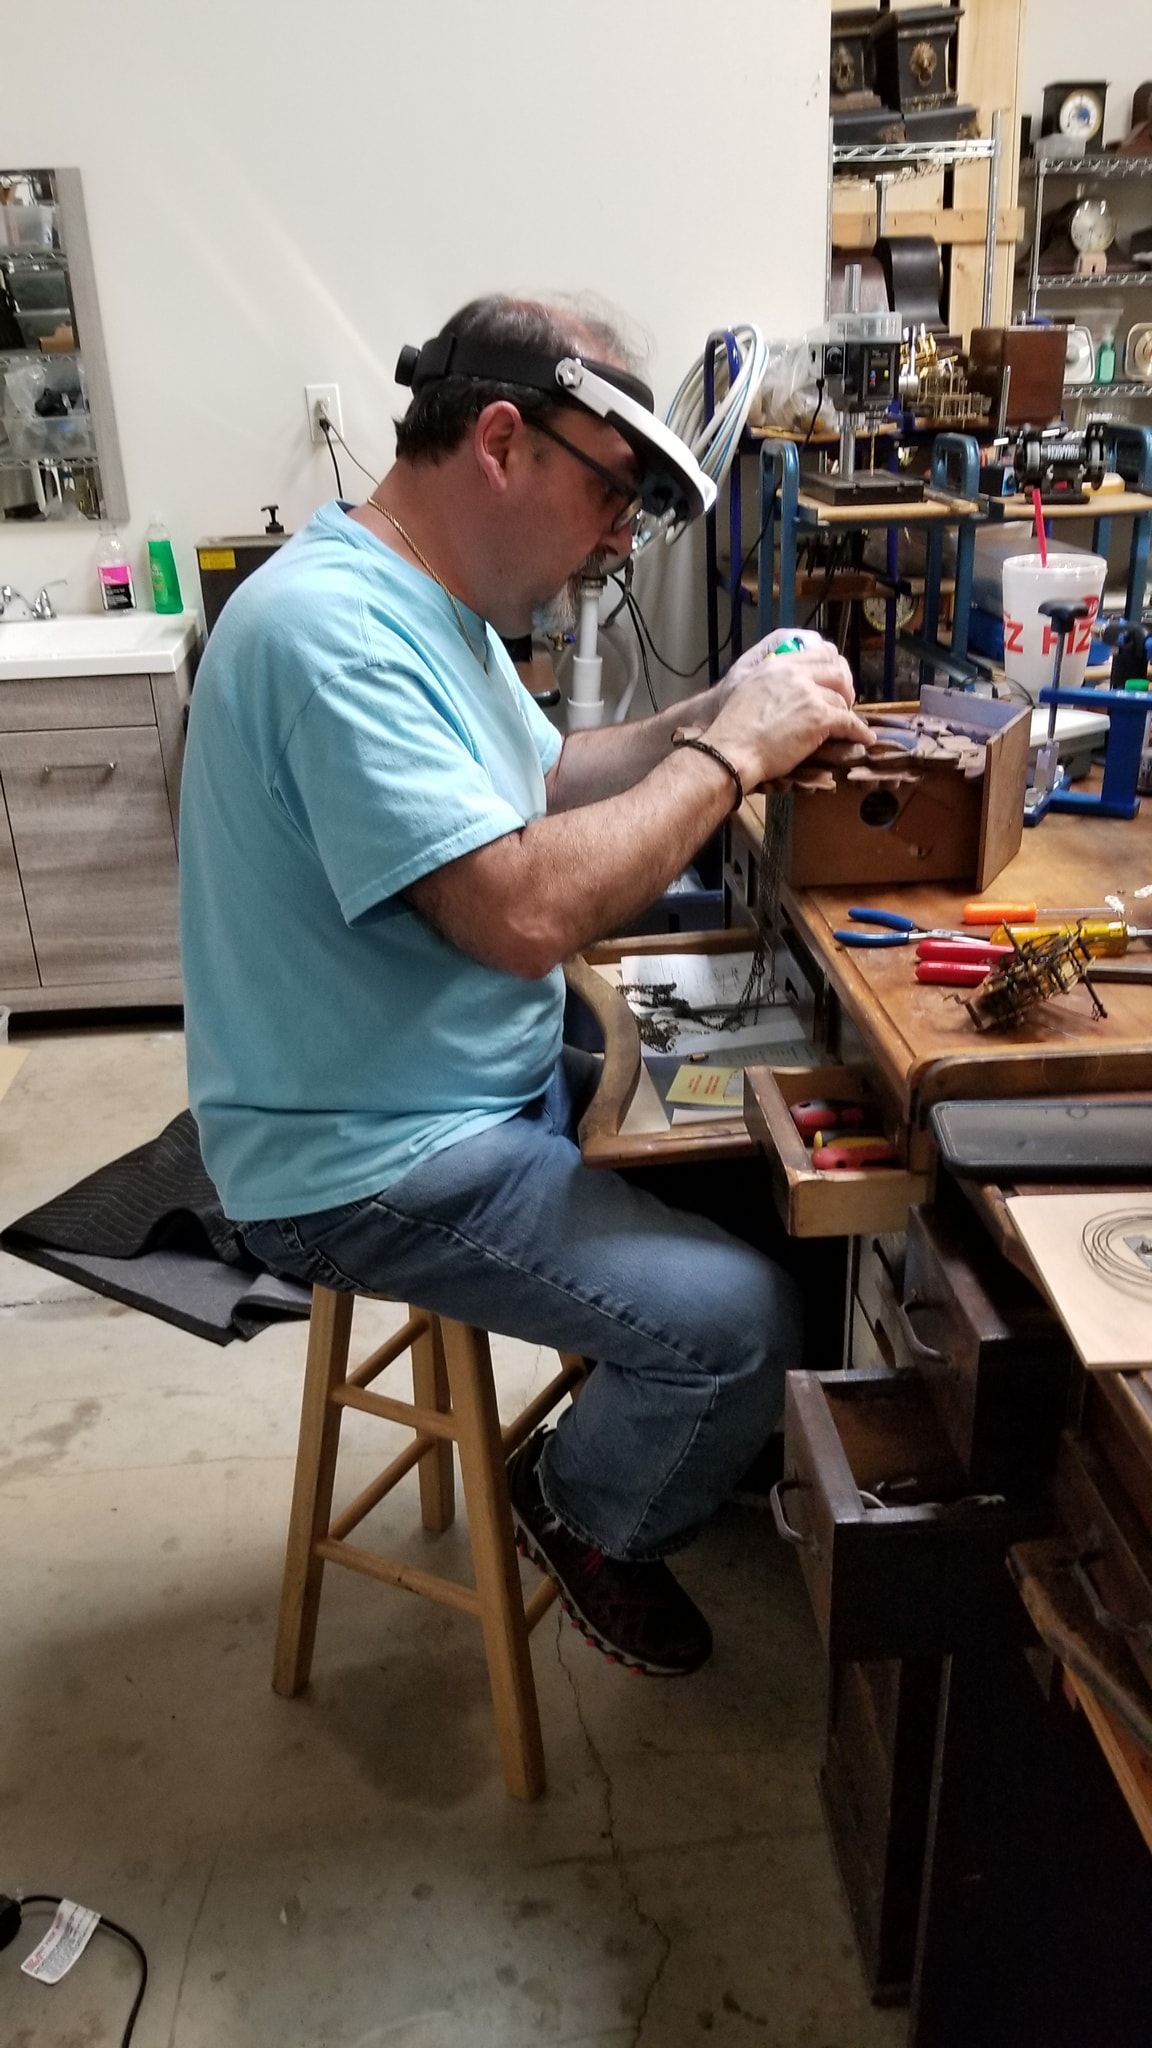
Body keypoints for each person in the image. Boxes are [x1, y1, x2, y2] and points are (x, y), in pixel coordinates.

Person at [179, 294, 870, 1678]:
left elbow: (541, 785)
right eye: (612, 497)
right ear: (503, 440)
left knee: (780, 1160)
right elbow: (522, 908)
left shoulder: (433, 608)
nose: (620, 541)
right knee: (743, 1324)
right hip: (367, 1155)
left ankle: (682, 1441)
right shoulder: (331, 631)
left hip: (453, 1078)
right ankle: (585, 1506)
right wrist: (732, 761)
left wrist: (718, 706)